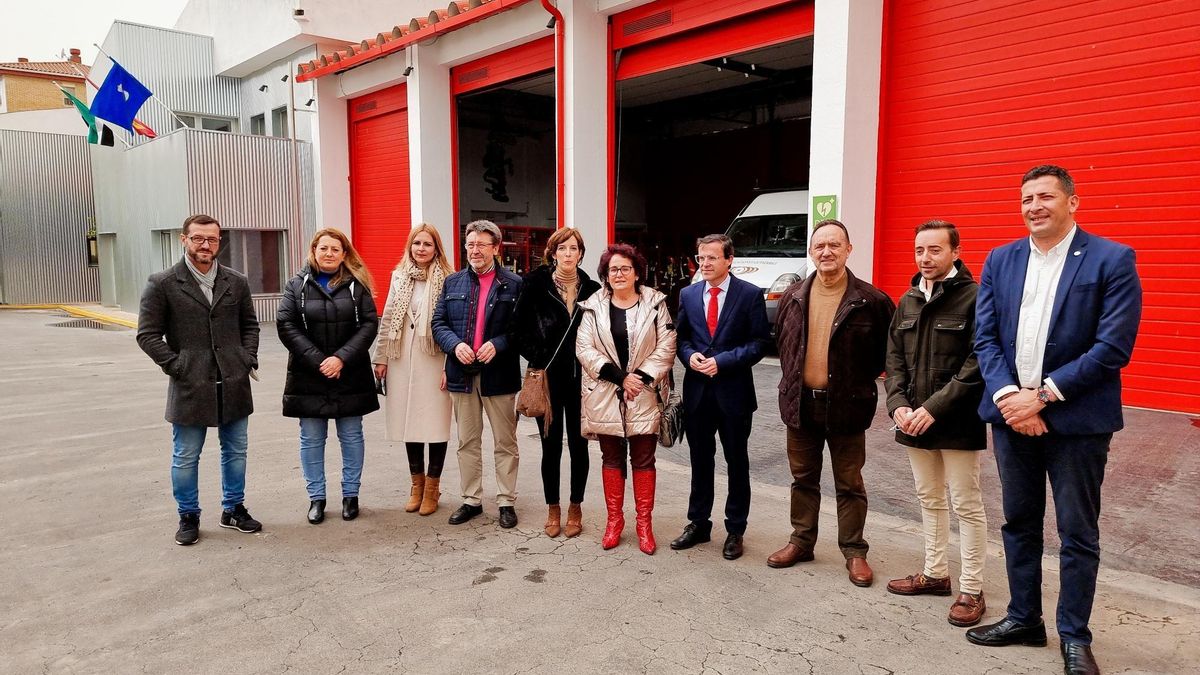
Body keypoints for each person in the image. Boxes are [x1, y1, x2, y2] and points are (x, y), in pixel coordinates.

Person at [967, 165, 1142, 675]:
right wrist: (1009, 399)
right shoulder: (1002, 259)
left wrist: (1041, 397)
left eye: (1045, 196)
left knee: (1076, 532)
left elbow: (1113, 347)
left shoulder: (1111, 259)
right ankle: (1023, 618)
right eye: (1026, 198)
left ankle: (1074, 636)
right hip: (1010, 415)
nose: (1034, 206)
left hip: (1077, 422)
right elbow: (986, 339)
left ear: (1073, 202)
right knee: (1018, 522)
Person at [768, 219, 894, 585]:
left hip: (848, 406)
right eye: (819, 245)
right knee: (802, 479)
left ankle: (854, 551)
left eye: (834, 245)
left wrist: (855, 383)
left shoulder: (871, 300)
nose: (826, 252)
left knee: (850, 483)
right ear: (811, 251)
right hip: (800, 405)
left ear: (848, 250)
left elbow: (886, 355)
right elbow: (785, 346)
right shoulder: (793, 297)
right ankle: (801, 541)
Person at [883, 220, 988, 627]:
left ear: (955, 252)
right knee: (929, 498)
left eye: (935, 250)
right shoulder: (907, 301)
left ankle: (972, 588)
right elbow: (893, 361)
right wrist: (898, 406)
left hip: (956, 420)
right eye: (919, 251)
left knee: (967, 504)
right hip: (912, 419)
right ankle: (935, 574)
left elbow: (977, 363)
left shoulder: (975, 298)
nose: (925, 258)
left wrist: (934, 408)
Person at [136, 214, 262, 546]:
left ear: (220, 242)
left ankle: (233, 509)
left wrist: (246, 358)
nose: (206, 245)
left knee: (235, 450)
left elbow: (250, 326)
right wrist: (178, 366)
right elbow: (148, 335)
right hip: (191, 385)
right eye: (198, 239)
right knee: (186, 454)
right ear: (184, 240)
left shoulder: (236, 282)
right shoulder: (162, 283)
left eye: (213, 239)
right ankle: (188, 515)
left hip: (234, 381)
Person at [669, 234, 770, 561]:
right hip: (698, 395)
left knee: (736, 462)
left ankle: (735, 529)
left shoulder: (750, 295)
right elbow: (682, 338)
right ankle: (698, 523)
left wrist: (722, 361)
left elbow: (758, 344)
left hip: (734, 395)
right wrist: (690, 357)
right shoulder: (688, 293)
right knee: (700, 461)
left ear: (729, 259)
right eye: (701, 258)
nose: (706, 264)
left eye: (712, 258)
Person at [576, 244, 677, 555]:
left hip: (645, 395)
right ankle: (614, 522)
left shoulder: (656, 304)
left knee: (644, 459)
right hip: (605, 394)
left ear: (637, 273)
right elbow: (584, 348)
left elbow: (667, 345)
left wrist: (641, 378)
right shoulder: (593, 306)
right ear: (605, 275)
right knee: (611, 459)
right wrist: (621, 378)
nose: (618, 274)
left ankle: (644, 524)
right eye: (612, 270)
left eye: (625, 269)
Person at [276, 228, 380, 524]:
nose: (329, 254)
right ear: (314, 250)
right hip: (309, 374)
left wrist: (340, 359)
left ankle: (350, 496)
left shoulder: (356, 285)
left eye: (336, 249)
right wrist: (319, 360)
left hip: (350, 373)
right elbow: (286, 325)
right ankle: (316, 498)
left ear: (344, 254)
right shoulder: (296, 285)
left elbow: (369, 325)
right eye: (324, 248)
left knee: (351, 436)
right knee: (311, 438)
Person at [432, 220, 524, 528]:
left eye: (482, 245)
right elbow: (438, 324)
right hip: (462, 373)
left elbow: (520, 331)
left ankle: (506, 501)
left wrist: (498, 344)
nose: (475, 250)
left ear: (495, 248)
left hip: (499, 374)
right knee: (467, 440)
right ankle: (471, 499)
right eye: (470, 244)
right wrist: (454, 345)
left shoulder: (513, 284)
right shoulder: (453, 283)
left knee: (505, 441)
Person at [515, 227, 601, 537]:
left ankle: (575, 507)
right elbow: (518, 327)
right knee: (550, 447)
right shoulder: (535, 284)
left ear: (581, 254)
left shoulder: (592, 289)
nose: (568, 253)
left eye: (574, 248)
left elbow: (600, 333)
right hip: (547, 379)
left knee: (580, 447)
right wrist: (537, 355)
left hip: (581, 380)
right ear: (553, 253)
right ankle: (553, 508)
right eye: (562, 248)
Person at [372, 224, 455, 517]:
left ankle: (433, 488)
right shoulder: (399, 276)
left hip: (434, 358)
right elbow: (389, 316)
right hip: (402, 356)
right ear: (410, 246)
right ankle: (416, 486)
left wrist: (451, 366)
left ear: (437, 249)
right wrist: (381, 358)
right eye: (417, 243)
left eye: (427, 244)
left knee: (434, 424)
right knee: (409, 421)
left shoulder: (448, 279)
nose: (421, 248)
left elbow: (454, 326)